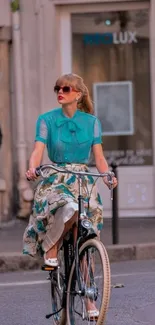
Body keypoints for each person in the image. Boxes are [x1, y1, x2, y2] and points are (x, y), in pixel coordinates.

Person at [23, 73, 117, 316]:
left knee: (85, 233)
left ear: (78, 94)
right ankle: (51, 247)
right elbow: (37, 150)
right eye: (57, 89)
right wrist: (33, 167)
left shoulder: (92, 122)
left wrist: (107, 176)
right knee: (68, 208)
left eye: (65, 88)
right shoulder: (46, 120)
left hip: (84, 180)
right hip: (56, 176)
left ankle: (88, 299)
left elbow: (99, 158)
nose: (60, 92)